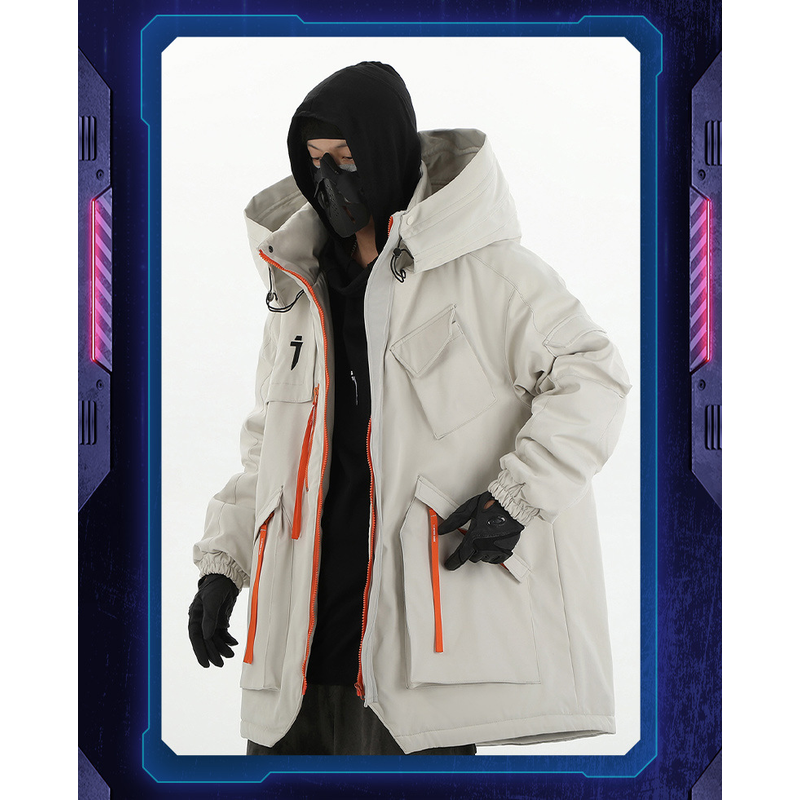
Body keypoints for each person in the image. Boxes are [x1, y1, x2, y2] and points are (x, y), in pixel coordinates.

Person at [188, 61, 631, 756]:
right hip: (296, 664)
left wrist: (519, 496)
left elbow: (593, 372)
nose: (329, 181)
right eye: (314, 161)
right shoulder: (299, 297)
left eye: (345, 158)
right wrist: (224, 562)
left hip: (414, 672)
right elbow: (268, 448)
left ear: (386, 151)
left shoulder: (487, 272)